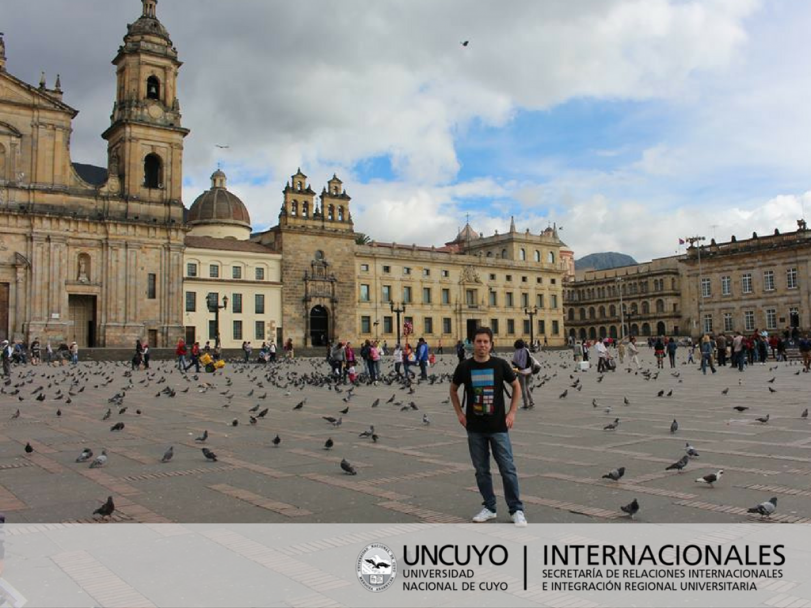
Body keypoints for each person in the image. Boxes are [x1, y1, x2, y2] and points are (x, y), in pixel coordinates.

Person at [450, 327, 527, 527]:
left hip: (498, 427)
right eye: (478, 341)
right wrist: (459, 413)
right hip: (474, 428)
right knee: (481, 470)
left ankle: (516, 509)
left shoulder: (500, 365)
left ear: (491, 344)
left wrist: (512, 412)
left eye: (485, 341)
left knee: (507, 469)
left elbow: (516, 385)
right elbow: (453, 389)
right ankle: (490, 507)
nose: (482, 345)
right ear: (472, 344)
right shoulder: (464, 367)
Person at [511, 339, 535, 410]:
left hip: (521, 372)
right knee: (527, 386)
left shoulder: (517, 352)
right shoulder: (527, 350)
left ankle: (525, 404)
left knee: (523, 388)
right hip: (529, 371)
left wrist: (513, 365)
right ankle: (531, 401)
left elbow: (516, 364)